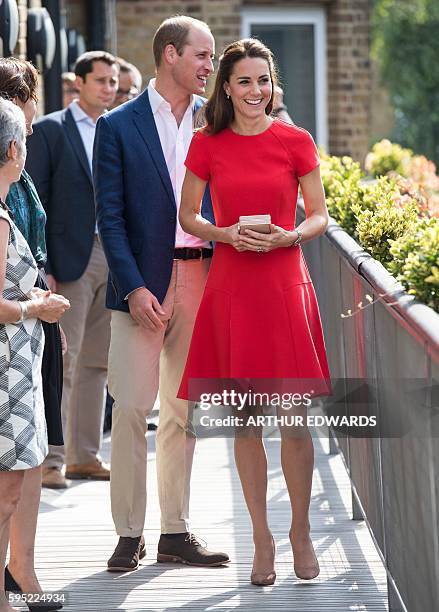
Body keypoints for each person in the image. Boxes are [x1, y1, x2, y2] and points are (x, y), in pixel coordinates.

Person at [177, 39, 331, 586]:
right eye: (244, 81)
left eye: (262, 80)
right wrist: (225, 234)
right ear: (225, 87)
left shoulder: (296, 140)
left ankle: (301, 531)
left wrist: (291, 234)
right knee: (246, 423)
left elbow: (319, 216)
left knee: (294, 422)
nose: (255, 91)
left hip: (284, 283)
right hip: (233, 288)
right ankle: (261, 538)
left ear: (273, 84)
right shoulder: (206, 144)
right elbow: (188, 215)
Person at [93, 15, 229, 571]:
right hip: (140, 286)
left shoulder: (216, 127)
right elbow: (111, 217)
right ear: (170, 55)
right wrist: (133, 287)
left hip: (201, 277)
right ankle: (129, 533)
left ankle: (175, 531)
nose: (209, 66)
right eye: (202, 55)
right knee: (130, 407)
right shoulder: (118, 126)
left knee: (183, 411)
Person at [26, 51, 119, 489]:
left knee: (98, 361)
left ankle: (87, 454)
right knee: (64, 357)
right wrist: (44, 268)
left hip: (114, 252)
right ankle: (52, 460)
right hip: (70, 260)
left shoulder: (118, 127)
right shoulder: (49, 131)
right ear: (77, 83)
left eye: (113, 81)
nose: (108, 88)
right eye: (100, 80)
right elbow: (37, 201)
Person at [0, 57, 69, 606]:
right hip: (13, 339)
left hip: (29, 332)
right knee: (15, 466)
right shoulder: (9, 189)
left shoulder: (19, 179)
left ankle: (19, 566)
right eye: (27, 101)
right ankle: (18, 569)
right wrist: (34, 305)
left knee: (25, 460)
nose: (33, 113)